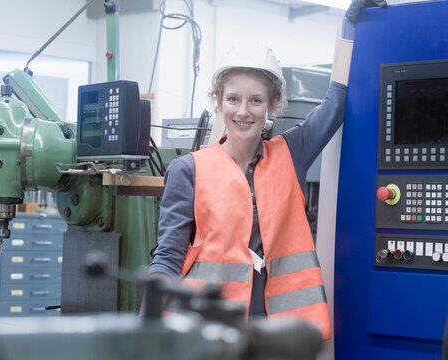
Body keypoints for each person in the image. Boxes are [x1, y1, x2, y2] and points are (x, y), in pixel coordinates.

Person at [147, 0, 387, 339]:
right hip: (210, 335)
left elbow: (335, 103)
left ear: (272, 105)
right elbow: (168, 259)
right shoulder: (188, 170)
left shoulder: (293, 153)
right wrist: (147, 318)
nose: (243, 111)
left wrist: (349, 23)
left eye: (256, 100)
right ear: (219, 101)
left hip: (280, 335)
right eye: (233, 99)